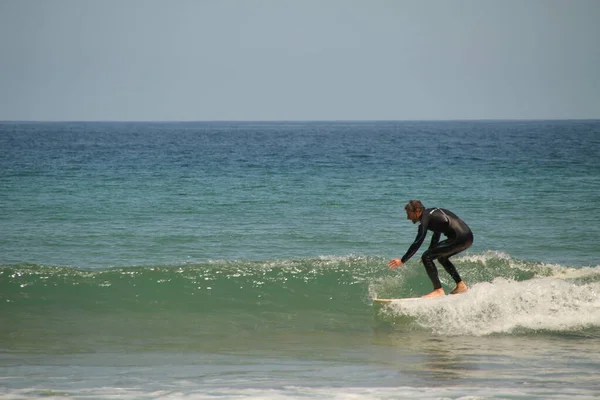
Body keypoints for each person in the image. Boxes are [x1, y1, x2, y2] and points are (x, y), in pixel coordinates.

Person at [388, 200, 473, 298]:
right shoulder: (431, 214)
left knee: (426, 256)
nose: (408, 217)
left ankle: (438, 290)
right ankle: (460, 285)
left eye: (409, 214)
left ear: (417, 211)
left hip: (460, 238)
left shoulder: (425, 218)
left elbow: (419, 240)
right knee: (441, 257)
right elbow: (437, 233)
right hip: (467, 237)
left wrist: (403, 260)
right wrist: (431, 253)